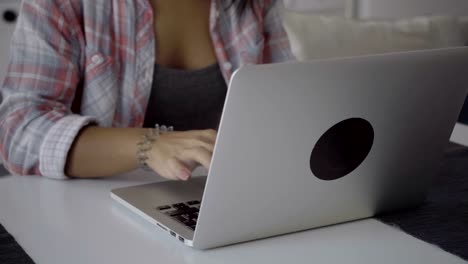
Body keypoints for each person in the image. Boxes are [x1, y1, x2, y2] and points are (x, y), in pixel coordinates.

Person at [0, 0, 293, 181]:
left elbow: (287, 105)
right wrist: (149, 144)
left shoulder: (255, 4)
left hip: (223, 199)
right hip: (96, 212)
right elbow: (19, 131)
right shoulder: (66, 4)